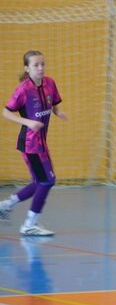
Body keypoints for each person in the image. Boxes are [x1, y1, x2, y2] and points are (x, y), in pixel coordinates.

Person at [0, 51, 67, 236]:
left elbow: (53, 102)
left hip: (41, 143)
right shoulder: (23, 90)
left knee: (40, 181)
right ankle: (29, 224)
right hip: (30, 144)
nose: (40, 68)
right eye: (36, 65)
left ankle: (5, 206)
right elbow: (6, 112)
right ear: (27, 68)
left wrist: (58, 112)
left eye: (42, 64)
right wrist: (28, 122)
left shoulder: (50, 83)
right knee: (47, 181)